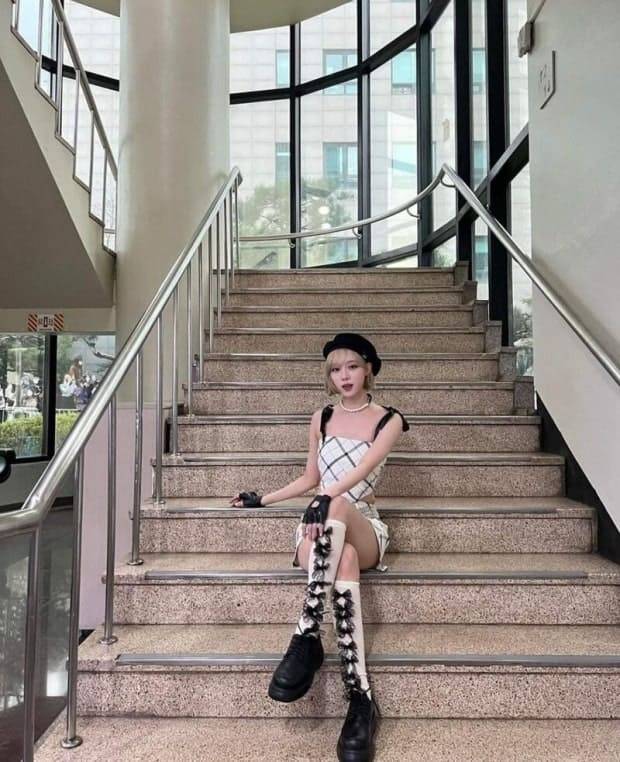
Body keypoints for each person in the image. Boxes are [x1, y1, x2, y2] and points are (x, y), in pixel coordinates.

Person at [231, 332, 409, 762]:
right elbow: (310, 478)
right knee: (342, 556)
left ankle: (307, 632)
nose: (343, 376)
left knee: (341, 506)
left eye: (352, 366)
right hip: (322, 528)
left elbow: (360, 472)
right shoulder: (321, 417)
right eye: (335, 370)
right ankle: (360, 697)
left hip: (361, 522)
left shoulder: (390, 420)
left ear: (368, 368)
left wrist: (327, 499)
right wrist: (263, 499)